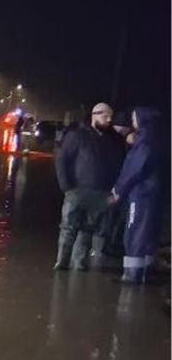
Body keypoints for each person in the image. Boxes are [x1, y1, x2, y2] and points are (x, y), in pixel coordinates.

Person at [53, 102, 127, 270]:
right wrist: (66, 187)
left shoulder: (112, 140)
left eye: (110, 116)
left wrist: (112, 191)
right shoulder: (77, 135)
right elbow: (62, 160)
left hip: (99, 193)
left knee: (88, 229)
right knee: (68, 228)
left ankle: (79, 263)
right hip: (77, 191)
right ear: (95, 115)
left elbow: (119, 164)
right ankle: (62, 262)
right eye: (105, 116)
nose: (109, 120)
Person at [109, 107, 166, 284]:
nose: (132, 121)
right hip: (153, 194)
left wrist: (118, 190)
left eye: (134, 118)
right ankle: (145, 272)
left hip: (141, 194)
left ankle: (131, 275)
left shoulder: (144, 143)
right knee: (148, 233)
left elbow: (133, 170)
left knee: (134, 232)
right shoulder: (156, 139)